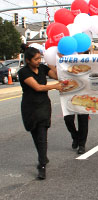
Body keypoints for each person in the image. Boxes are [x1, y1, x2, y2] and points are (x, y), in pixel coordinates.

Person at [18, 47, 63, 180]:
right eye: (36, 59)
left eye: (40, 58)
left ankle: (41, 165)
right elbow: (37, 87)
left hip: (43, 105)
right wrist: (54, 86)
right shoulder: (23, 72)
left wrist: (58, 64)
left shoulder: (42, 68)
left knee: (42, 135)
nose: (39, 61)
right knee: (35, 133)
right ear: (28, 60)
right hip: (29, 106)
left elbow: (55, 75)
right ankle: (43, 157)